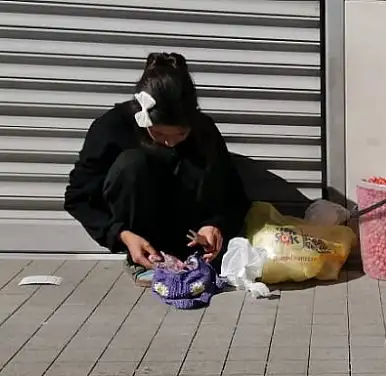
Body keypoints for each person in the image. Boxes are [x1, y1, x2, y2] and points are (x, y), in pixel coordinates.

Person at [64, 52, 250, 285]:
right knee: (132, 164)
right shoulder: (111, 127)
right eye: (159, 133)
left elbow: (235, 197)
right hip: (140, 236)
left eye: (181, 134)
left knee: (201, 161)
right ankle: (142, 259)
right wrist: (121, 235)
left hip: (192, 239)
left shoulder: (205, 131)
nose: (170, 142)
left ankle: (188, 258)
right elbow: (78, 198)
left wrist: (216, 225)